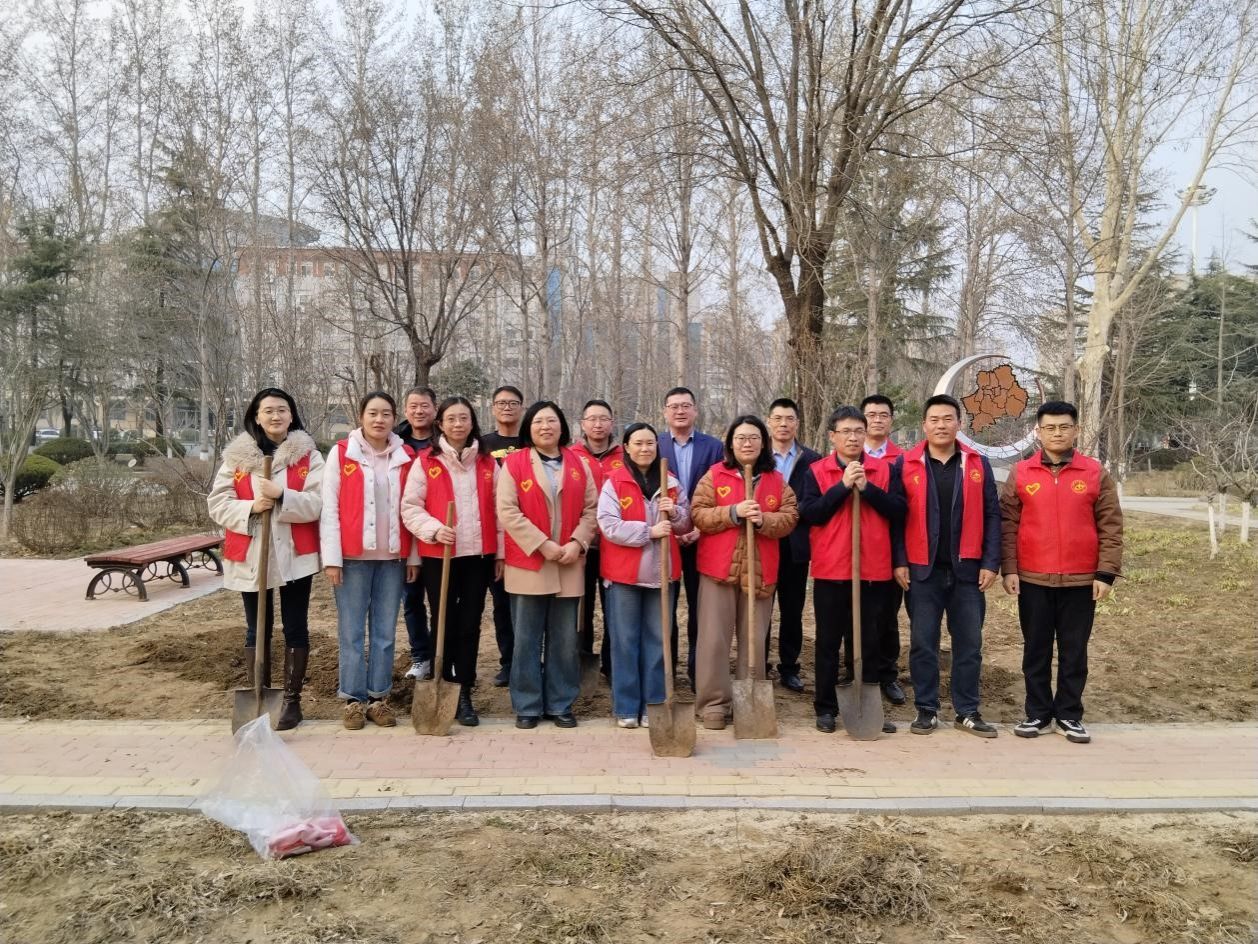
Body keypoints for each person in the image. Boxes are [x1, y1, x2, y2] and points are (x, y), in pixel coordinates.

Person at [1001, 401, 1123, 744]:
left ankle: (1069, 714)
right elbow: (1008, 525)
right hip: (1032, 579)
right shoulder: (1021, 473)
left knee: (1074, 651)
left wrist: (1106, 573)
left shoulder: (1094, 473)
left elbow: (1111, 526)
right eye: (1050, 428)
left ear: (1076, 430)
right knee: (1035, 650)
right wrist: (1009, 568)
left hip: (1081, 580)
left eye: (1064, 427)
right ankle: (1038, 714)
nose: (1057, 433)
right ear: (1038, 432)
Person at [208, 387, 323, 730]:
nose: (276, 416)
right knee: (256, 627)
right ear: (256, 417)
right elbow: (218, 503)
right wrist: (251, 507)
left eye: (282, 410)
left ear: (292, 415)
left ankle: (291, 701)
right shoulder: (237, 458)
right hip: (253, 554)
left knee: (295, 625)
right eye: (268, 410)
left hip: (293, 554)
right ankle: (259, 694)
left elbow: (319, 502)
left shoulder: (308, 456)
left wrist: (283, 495)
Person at [894, 394, 1001, 738]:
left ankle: (967, 711)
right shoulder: (907, 464)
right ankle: (926, 709)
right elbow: (896, 518)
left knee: (969, 645)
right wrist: (900, 561)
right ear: (924, 425)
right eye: (934, 419)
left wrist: (991, 562)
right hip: (922, 572)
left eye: (947, 419)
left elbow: (992, 515)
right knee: (923, 644)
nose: (941, 425)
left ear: (959, 423)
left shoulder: (976, 464)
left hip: (967, 572)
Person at [797, 406, 904, 734]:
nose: (853, 437)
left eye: (859, 430)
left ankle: (867, 706)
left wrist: (867, 488)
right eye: (846, 431)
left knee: (868, 642)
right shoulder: (816, 471)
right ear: (833, 436)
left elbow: (899, 509)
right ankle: (826, 707)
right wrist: (842, 486)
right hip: (832, 569)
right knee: (828, 642)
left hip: (872, 570)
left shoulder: (884, 470)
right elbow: (811, 513)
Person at [690, 415, 799, 729]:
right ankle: (713, 703)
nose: (747, 443)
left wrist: (764, 519)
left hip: (760, 571)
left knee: (754, 641)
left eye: (753, 438)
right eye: (740, 438)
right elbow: (698, 513)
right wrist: (733, 512)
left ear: (763, 443)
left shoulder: (776, 480)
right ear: (730, 443)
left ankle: (748, 703)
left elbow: (790, 517)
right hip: (718, 570)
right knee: (713, 640)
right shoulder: (715, 476)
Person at [496, 400, 598, 728]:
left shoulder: (578, 463)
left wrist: (577, 542)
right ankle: (527, 705)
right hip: (529, 563)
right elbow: (508, 511)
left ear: (562, 426)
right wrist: (543, 545)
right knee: (526, 639)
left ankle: (560, 702)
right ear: (529, 427)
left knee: (565, 640)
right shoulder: (514, 463)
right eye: (538, 421)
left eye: (551, 421)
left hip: (568, 561)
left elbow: (591, 509)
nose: (545, 427)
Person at [320, 391, 418, 730]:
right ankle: (353, 699)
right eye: (373, 413)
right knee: (351, 632)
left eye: (386, 413)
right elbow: (329, 508)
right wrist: (332, 559)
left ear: (394, 418)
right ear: (361, 416)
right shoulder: (342, 453)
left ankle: (378, 698)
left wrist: (413, 556)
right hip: (352, 559)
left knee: (385, 632)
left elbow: (413, 508)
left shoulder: (405, 456)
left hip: (392, 558)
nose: (379, 419)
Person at [401, 396, 502, 727]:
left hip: (478, 555)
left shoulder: (488, 463)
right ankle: (441, 679)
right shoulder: (426, 462)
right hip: (439, 555)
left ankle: (465, 689)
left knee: (470, 623)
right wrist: (433, 529)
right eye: (451, 419)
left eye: (464, 418)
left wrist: (500, 553)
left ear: (473, 422)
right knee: (443, 618)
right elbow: (410, 507)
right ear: (440, 424)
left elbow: (501, 510)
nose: (458, 424)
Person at [597, 422, 691, 728]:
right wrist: (649, 531)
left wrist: (674, 512)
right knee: (625, 641)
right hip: (624, 574)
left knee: (658, 640)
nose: (644, 448)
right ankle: (626, 706)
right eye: (637, 443)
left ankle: (654, 704)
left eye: (650, 443)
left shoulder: (671, 482)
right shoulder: (615, 481)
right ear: (626, 447)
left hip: (662, 573)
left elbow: (686, 523)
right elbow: (608, 525)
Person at [656, 387, 724, 687]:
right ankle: (665, 671)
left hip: (703, 537)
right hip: (664, 537)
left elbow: (721, 491)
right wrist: (673, 526)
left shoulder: (715, 447)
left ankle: (699, 671)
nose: (680, 411)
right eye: (674, 406)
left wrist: (698, 528)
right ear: (665, 412)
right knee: (664, 606)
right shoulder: (654, 444)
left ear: (695, 410)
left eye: (686, 405)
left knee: (701, 607)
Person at [764, 397, 821, 693]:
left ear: (797, 423)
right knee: (761, 607)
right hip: (762, 543)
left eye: (789, 419)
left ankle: (789, 667)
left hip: (796, 546)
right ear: (769, 422)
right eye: (778, 418)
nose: (783, 424)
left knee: (792, 609)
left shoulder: (812, 459)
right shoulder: (758, 456)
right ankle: (759, 664)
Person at [571, 398, 625, 678]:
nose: (598, 424)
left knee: (613, 608)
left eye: (603, 418)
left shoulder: (625, 455)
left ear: (612, 423)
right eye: (592, 419)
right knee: (581, 607)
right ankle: (580, 660)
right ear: (583, 424)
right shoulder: (571, 455)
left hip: (614, 546)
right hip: (581, 545)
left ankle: (612, 664)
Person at [862, 393, 907, 705]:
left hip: (889, 551)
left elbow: (904, 511)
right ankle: (857, 671)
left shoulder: (902, 460)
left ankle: (887, 674)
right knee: (853, 616)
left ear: (891, 420)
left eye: (883, 415)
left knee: (887, 616)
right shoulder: (844, 456)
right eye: (871, 414)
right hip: (851, 551)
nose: (877, 420)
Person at [482, 385, 525, 688]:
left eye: (513, 403)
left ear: (522, 408)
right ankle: (508, 662)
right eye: (501, 403)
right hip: (495, 534)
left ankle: (530, 659)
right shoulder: (483, 445)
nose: (507, 407)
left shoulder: (531, 441)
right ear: (493, 408)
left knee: (529, 603)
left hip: (528, 534)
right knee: (502, 603)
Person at [396, 386, 437, 681]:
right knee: (411, 600)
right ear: (405, 410)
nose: (419, 411)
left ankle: (443, 655)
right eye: (413, 406)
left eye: (424, 405)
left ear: (434, 409)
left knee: (441, 600)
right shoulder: (395, 443)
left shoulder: (445, 441)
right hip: (404, 532)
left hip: (440, 534)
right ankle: (421, 656)